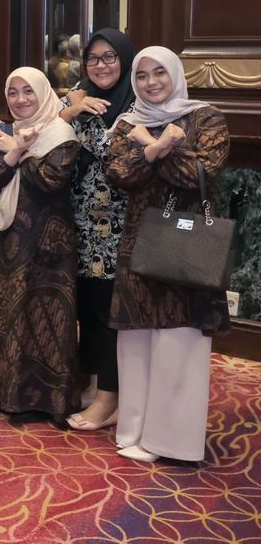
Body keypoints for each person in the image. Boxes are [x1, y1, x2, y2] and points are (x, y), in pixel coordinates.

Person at [107, 46, 230, 463]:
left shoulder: (206, 117)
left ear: (175, 74)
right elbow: (119, 174)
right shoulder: (129, 122)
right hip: (139, 240)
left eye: (159, 73)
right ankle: (135, 428)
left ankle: (170, 440)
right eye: (141, 76)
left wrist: (150, 149)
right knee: (136, 340)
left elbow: (200, 173)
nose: (151, 82)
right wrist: (156, 145)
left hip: (185, 242)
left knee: (179, 340)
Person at [0, 67, 82, 424]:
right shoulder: (6, 131)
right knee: (10, 312)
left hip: (49, 243)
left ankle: (49, 399)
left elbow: (51, 180)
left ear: (43, 93)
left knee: (46, 317)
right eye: (13, 92)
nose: (20, 99)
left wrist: (20, 153)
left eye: (28, 91)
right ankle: (7, 392)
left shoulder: (60, 133)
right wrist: (14, 151)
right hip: (12, 238)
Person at [58, 29, 136, 431]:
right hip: (77, 224)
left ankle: (110, 397)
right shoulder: (76, 96)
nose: (100, 65)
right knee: (85, 307)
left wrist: (82, 115)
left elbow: (113, 155)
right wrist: (70, 109)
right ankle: (92, 383)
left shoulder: (137, 104)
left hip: (117, 228)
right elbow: (44, 132)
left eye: (109, 57)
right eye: (92, 58)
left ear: (124, 59)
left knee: (108, 313)